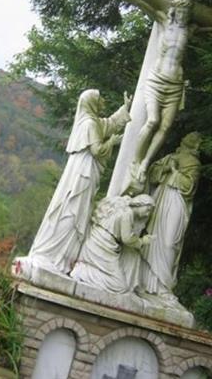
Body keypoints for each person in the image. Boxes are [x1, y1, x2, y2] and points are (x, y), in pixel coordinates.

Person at [27, 88, 131, 274]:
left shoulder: (92, 122)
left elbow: (110, 123)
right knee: (73, 209)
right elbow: (97, 150)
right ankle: (56, 255)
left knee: (77, 209)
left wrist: (126, 108)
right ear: (91, 103)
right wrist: (112, 143)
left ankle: (64, 256)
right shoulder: (89, 124)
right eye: (100, 99)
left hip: (85, 170)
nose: (103, 102)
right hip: (83, 172)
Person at [108, 0, 193, 183]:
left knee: (164, 127)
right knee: (152, 121)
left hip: (175, 86)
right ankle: (135, 161)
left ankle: (145, 163)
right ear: (175, 10)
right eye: (181, 11)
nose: (184, 15)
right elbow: (140, 2)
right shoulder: (164, 21)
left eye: (188, 12)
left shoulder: (189, 30)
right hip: (156, 81)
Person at [140, 132, 201, 302]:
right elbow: (152, 173)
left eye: (194, 140)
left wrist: (174, 172)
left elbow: (189, 186)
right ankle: (145, 281)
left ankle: (163, 286)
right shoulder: (170, 157)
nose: (191, 140)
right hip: (161, 198)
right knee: (153, 237)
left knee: (169, 242)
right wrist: (166, 168)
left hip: (177, 201)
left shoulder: (194, 163)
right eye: (189, 138)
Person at [70, 194, 155, 293]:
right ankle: (83, 272)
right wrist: (142, 241)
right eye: (147, 210)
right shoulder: (128, 213)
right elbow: (127, 239)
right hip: (102, 245)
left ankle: (85, 270)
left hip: (98, 238)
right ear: (140, 204)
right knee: (119, 286)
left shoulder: (121, 205)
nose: (148, 214)